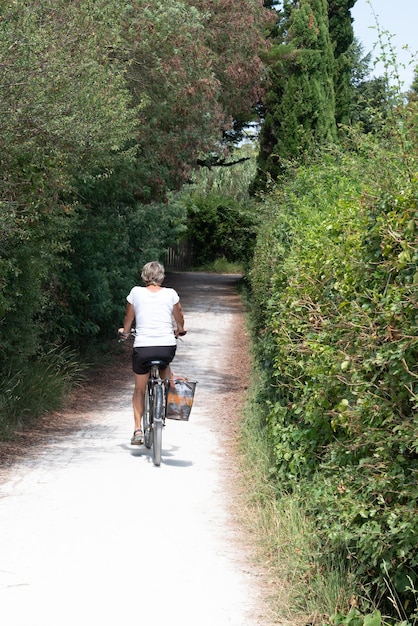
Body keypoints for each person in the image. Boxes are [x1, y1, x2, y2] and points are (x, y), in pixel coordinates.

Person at [118, 261, 186, 445]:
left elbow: (129, 318)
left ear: (144, 276)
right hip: (166, 347)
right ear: (162, 277)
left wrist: (124, 332)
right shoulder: (171, 294)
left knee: (139, 388)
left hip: (143, 348)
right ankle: (164, 398)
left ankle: (137, 429)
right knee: (165, 364)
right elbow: (179, 314)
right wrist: (180, 329)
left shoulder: (136, 292)